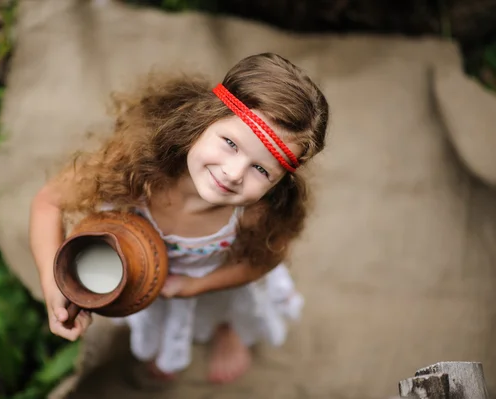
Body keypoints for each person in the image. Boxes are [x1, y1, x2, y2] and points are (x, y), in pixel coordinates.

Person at [29, 52, 329, 385]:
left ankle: (225, 331)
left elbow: (267, 259)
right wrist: (51, 281)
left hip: (210, 286)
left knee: (218, 311)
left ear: (277, 183)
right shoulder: (135, 163)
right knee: (148, 315)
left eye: (260, 169)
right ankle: (165, 346)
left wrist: (195, 286)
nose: (232, 173)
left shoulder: (255, 215)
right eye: (230, 143)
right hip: (134, 274)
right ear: (205, 119)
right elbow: (49, 202)